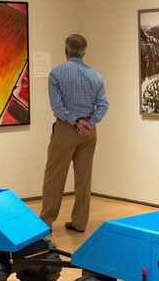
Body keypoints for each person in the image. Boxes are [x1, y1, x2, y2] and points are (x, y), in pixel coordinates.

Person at [40, 34, 109, 233]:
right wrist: (90, 122)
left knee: (54, 176)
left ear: (66, 49)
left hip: (65, 130)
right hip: (89, 132)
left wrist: (75, 121)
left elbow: (57, 106)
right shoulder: (96, 76)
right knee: (84, 178)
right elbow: (104, 104)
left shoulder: (56, 73)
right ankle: (79, 222)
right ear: (84, 51)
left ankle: (46, 222)